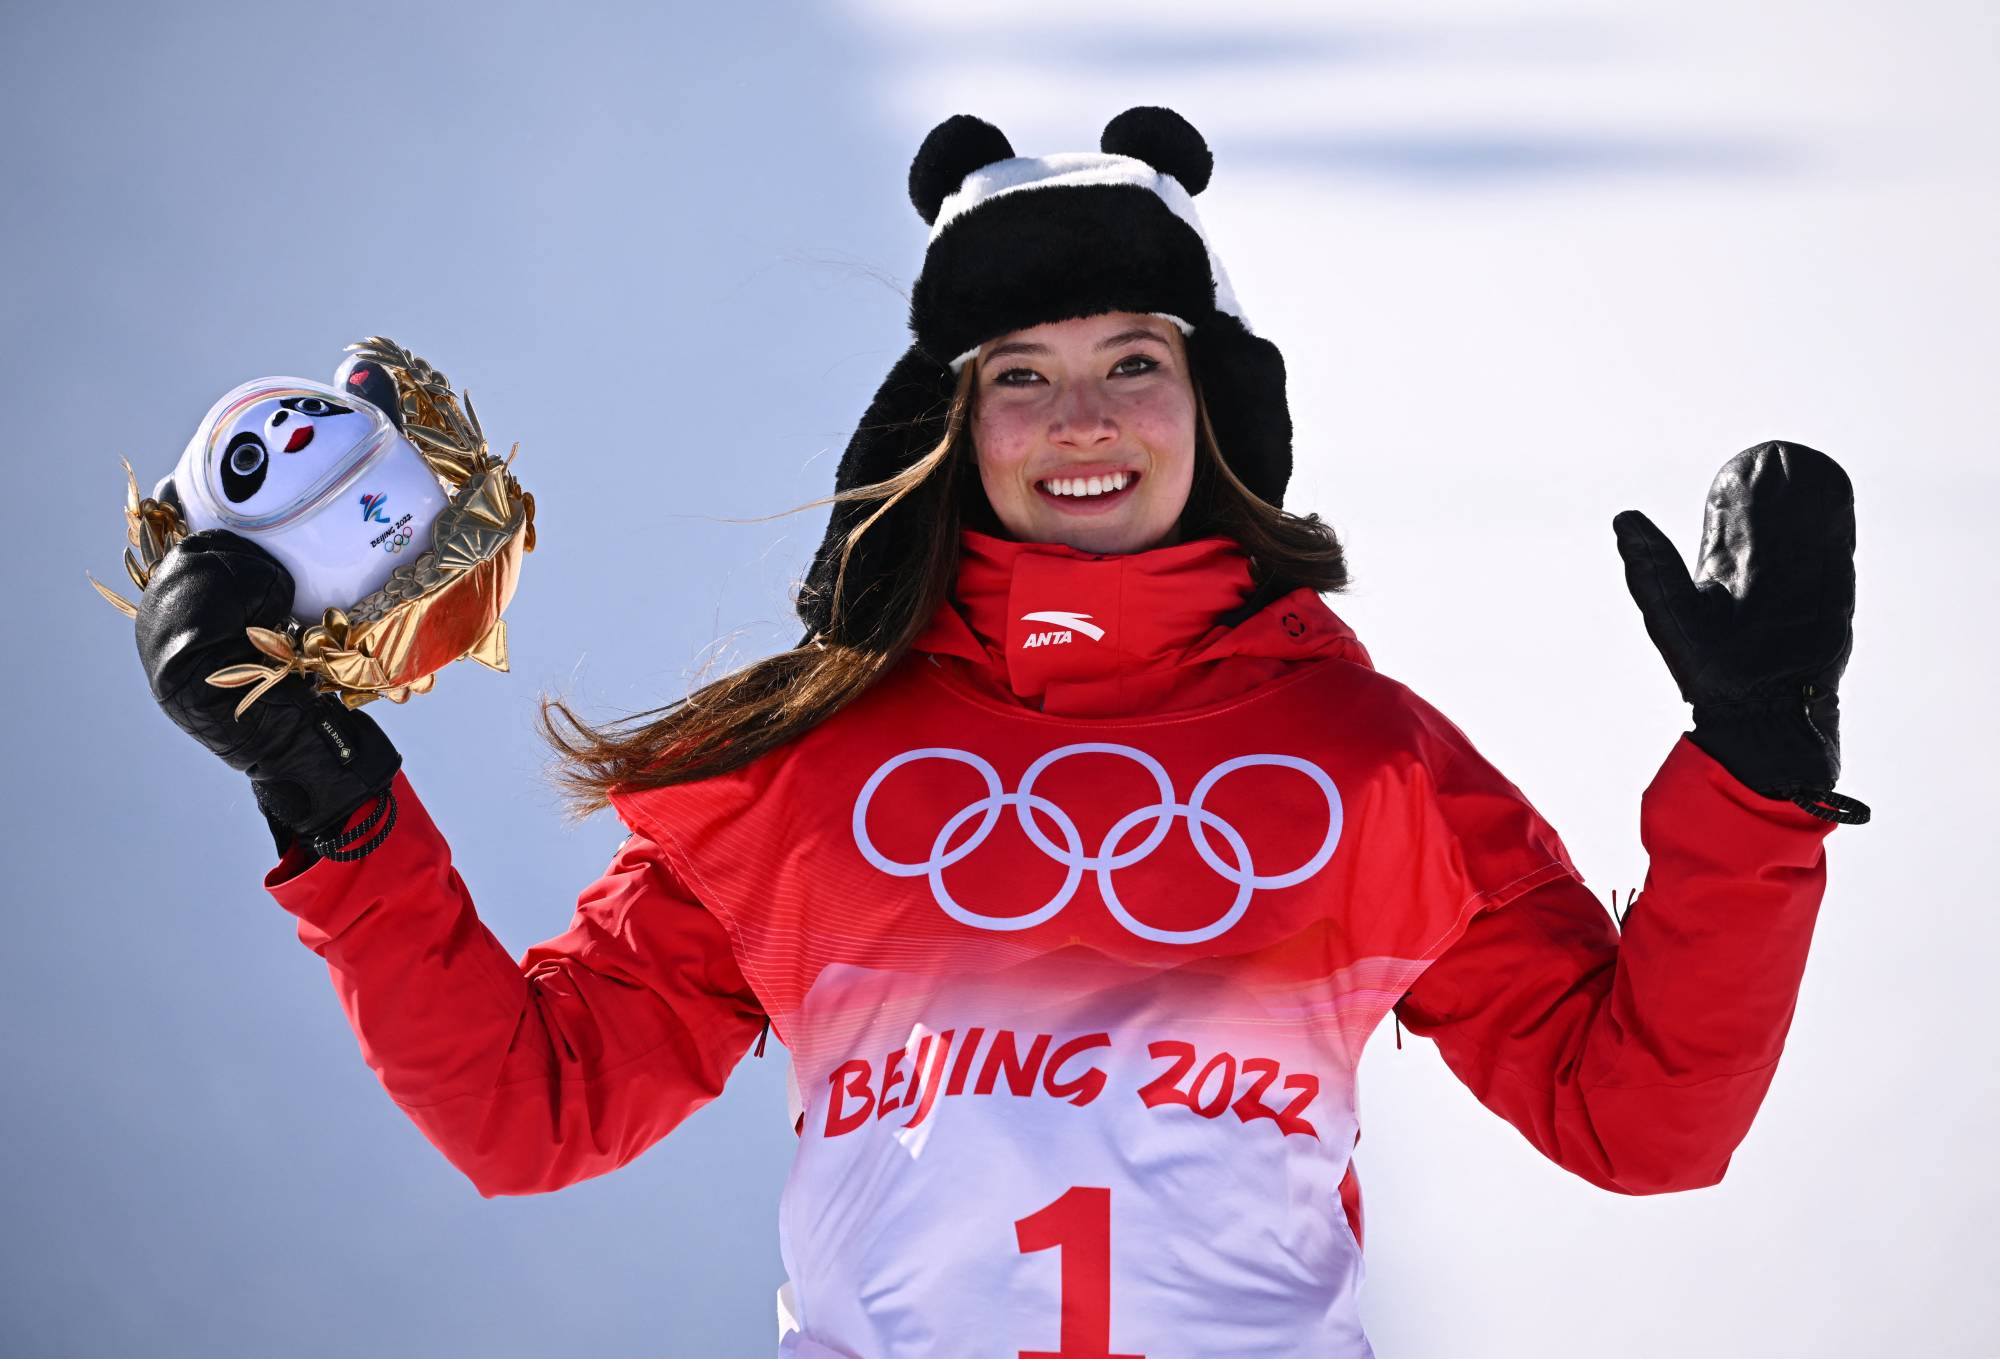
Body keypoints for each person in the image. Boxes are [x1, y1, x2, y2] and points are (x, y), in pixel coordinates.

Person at [134, 108, 1865, 1358]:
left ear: (1218, 408)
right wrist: (327, 796)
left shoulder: (1370, 761)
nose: (1083, 418)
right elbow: (534, 1112)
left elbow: (1641, 1120)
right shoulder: (802, 771)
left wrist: (1758, 786)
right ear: (947, 428)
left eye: (1137, 362)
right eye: (1018, 375)